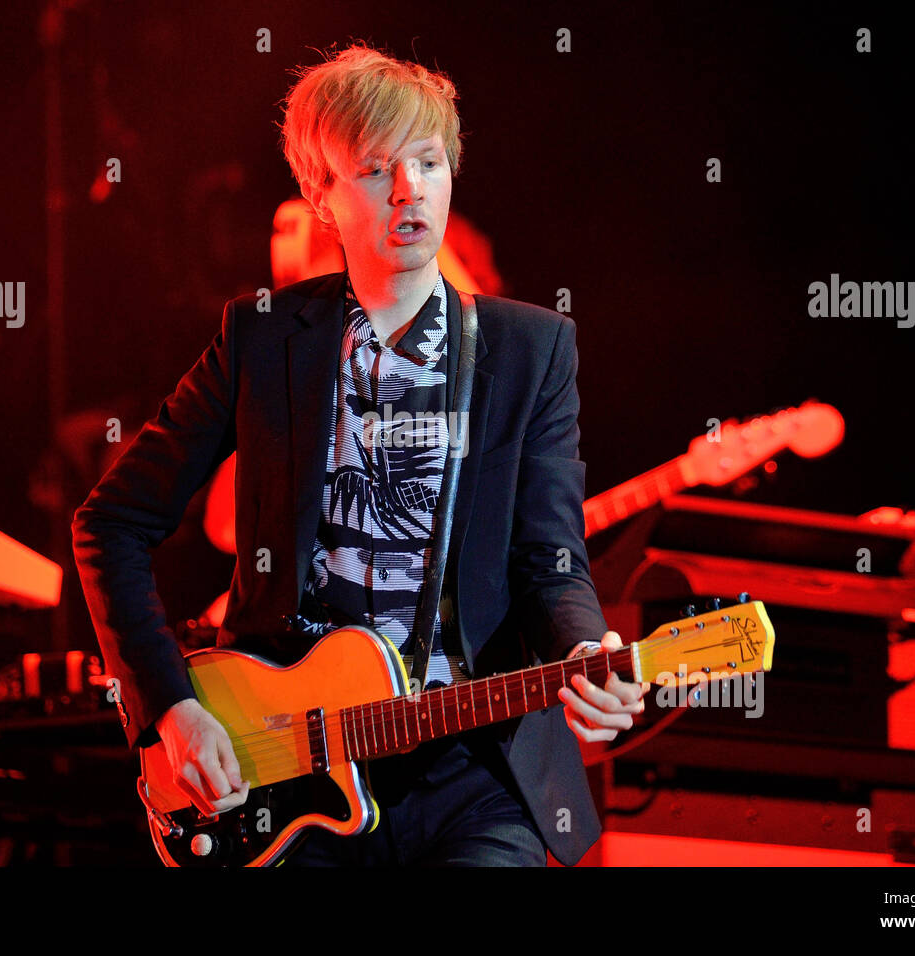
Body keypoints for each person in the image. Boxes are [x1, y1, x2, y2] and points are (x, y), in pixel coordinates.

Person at [71, 42, 648, 867]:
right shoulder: (262, 337)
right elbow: (111, 523)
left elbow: (552, 560)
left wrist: (583, 649)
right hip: (293, 772)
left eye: (428, 162)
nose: (410, 191)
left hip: (473, 771)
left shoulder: (530, 351)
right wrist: (170, 707)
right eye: (376, 169)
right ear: (320, 195)